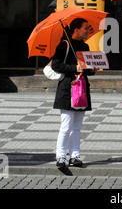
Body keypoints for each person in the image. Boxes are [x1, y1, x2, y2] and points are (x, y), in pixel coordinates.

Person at [51, 18, 96, 168]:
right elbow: (56, 65)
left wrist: (92, 69)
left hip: (81, 89)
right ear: (76, 29)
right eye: (85, 28)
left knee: (77, 126)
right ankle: (61, 157)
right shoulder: (64, 45)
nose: (87, 31)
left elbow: (86, 69)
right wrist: (73, 68)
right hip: (67, 89)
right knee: (66, 125)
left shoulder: (85, 46)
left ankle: (75, 156)